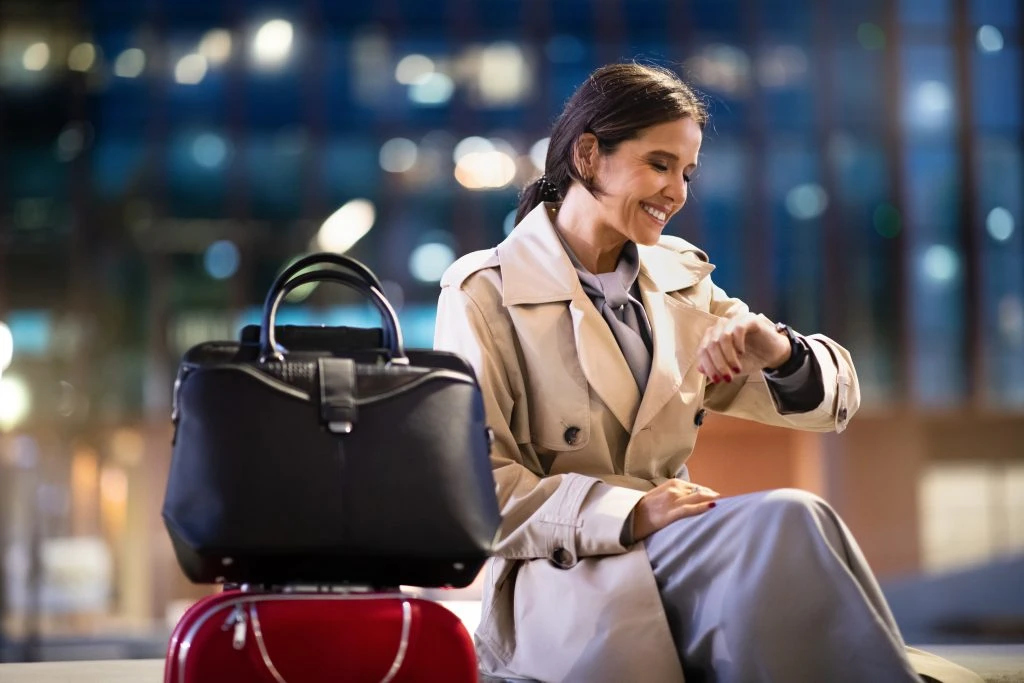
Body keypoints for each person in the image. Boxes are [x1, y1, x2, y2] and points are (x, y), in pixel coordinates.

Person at [434, 63, 981, 683]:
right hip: (563, 579)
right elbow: (476, 493)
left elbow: (832, 406)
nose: (678, 192)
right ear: (588, 156)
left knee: (799, 527)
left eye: (687, 173)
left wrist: (779, 352)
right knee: (789, 519)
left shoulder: (681, 280)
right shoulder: (485, 293)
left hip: (677, 549)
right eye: (659, 164)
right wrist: (631, 513)